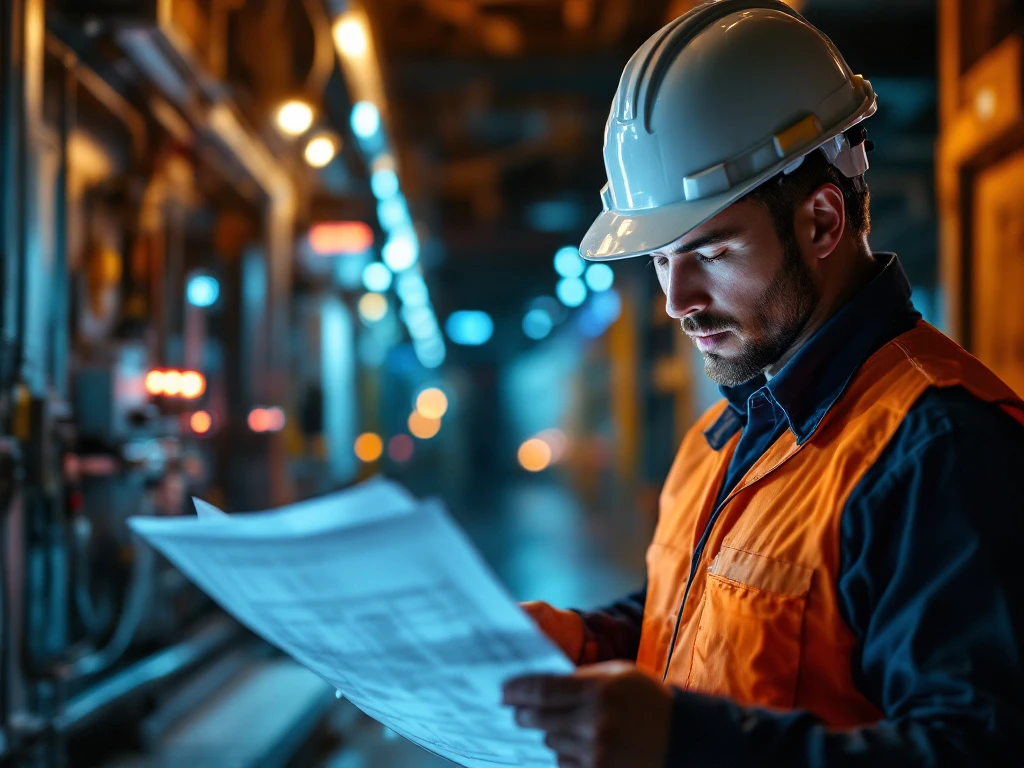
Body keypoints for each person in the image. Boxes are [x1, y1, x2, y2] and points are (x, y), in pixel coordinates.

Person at [501, 2, 1024, 766]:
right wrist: (582, 647)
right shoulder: (727, 436)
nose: (677, 300)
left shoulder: (938, 449)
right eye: (659, 259)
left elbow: (973, 749)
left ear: (820, 222)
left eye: (707, 253)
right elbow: (706, 615)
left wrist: (688, 744)